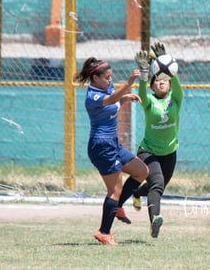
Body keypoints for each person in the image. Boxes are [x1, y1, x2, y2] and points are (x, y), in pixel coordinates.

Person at [75, 57, 149, 246]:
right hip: (101, 145)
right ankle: (104, 233)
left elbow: (114, 102)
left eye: (111, 76)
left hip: (112, 143)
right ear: (95, 78)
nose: (110, 80)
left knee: (141, 171)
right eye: (107, 77)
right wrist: (129, 85)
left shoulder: (106, 87)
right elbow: (110, 100)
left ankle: (116, 207)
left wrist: (124, 98)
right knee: (114, 191)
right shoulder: (93, 95)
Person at [116, 43, 183, 238]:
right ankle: (155, 219)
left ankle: (137, 193)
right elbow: (142, 91)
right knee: (158, 183)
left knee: (157, 186)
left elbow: (176, 81)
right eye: (157, 80)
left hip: (169, 152)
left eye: (164, 80)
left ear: (170, 83)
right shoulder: (149, 101)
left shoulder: (176, 99)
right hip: (148, 152)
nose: (161, 82)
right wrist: (145, 73)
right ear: (153, 84)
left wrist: (166, 61)